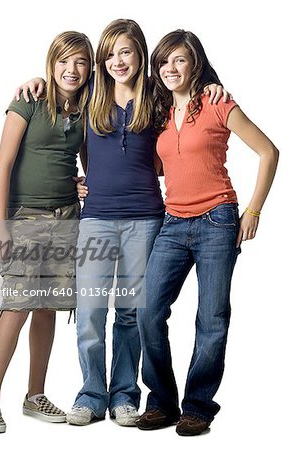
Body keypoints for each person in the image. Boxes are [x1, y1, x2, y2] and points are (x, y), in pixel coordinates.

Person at [15, 20, 228, 427]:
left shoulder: (155, 92)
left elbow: (190, 84)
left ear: (141, 55)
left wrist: (215, 86)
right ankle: (92, 393)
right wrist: (34, 81)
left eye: (126, 52)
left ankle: (125, 394)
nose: (118, 61)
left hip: (146, 218)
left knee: (131, 313)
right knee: (91, 311)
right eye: (110, 53)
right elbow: (60, 83)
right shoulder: (92, 89)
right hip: (96, 218)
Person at [135, 29, 279, 436]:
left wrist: (253, 210)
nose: (170, 68)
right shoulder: (160, 112)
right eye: (164, 62)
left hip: (218, 219)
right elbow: (163, 165)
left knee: (212, 318)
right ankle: (162, 402)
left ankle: (197, 406)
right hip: (172, 222)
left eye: (179, 59)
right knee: (148, 312)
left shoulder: (219, 104)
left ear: (195, 62)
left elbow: (269, 152)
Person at [0, 31, 94, 433]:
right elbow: (2, 166)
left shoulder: (85, 111)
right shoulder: (28, 101)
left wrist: (83, 184)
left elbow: (86, 163)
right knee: (17, 306)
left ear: (89, 68)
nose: (71, 70)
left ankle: (35, 395)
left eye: (80, 62)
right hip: (24, 217)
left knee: (47, 308)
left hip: (67, 217)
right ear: (51, 63)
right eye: (64, 61)